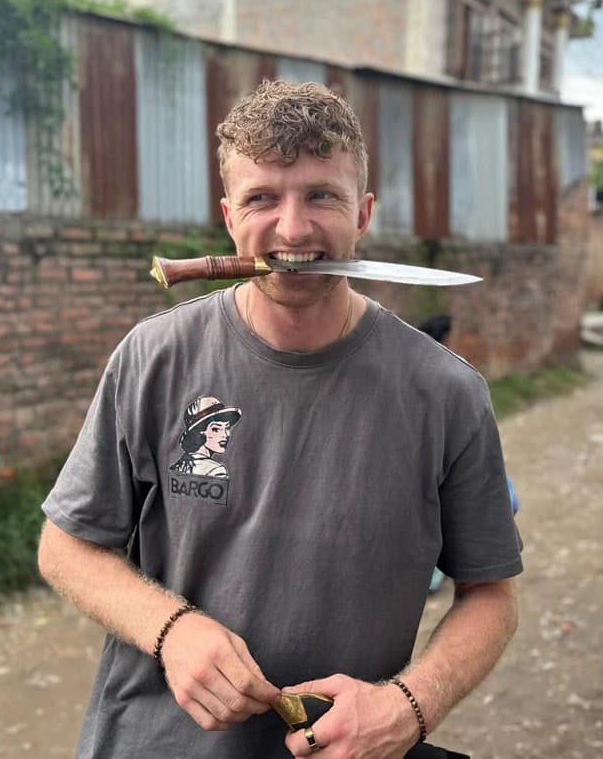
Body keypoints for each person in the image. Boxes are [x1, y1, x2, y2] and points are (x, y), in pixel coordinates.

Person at [37, 80, 523, 759]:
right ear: (230, 216)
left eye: (321, 195)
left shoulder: (447, 393)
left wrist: (410, 707)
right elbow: (65, 547)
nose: (293, 230)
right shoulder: (156, 357)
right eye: (263, 197)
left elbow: (490, 595)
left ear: (364, 214)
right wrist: (172, 628)